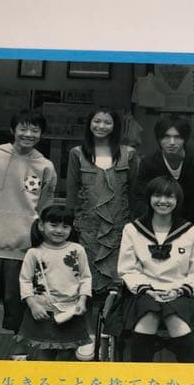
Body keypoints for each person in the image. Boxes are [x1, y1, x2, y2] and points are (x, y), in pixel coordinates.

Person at [0, 108, 57, 360]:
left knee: (19, 301)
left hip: (23, 248)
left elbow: (44, 206)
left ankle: (19, 351)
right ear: (13, 130)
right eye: (23, 128)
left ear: (41, 134)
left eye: (35, 130)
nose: (28, 134)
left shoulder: (45, 166)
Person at [109, 176, 194, 363]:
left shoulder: (193, 232)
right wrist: (148, 290)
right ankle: (140, 378)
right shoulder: (132, 230)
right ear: (149, 198)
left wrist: (178, 291)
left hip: (181, 292)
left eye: (169, 196)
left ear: (177, 200)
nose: (163, 201)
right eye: (157, 195)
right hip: (144, 293)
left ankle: (192, 378)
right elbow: (128, 269)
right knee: (147, 314)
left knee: (176, 317)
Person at [65, 107, 138, 360]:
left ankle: (112, 334)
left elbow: (135, 193)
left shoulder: (129, 154)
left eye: (107, 122)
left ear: (115, 126)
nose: (101, 126)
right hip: (86, 230)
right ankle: (88, 336)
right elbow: (71, 194)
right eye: (97, 121)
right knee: (85, 283)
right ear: (89, 124)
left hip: (119, 231)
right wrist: (69, 228)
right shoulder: (77, 154)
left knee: (116, 285)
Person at [15, 205, 92, 360]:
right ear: (41, 225)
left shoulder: (77, 250)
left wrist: (82, 300)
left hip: (70, 310)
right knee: (45, 352)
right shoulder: (34, 253)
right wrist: (33, 305)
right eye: (54, 225)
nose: (59, 230)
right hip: (44, 310)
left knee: (67, 352)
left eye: (65, 226)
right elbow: (25, 280)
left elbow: (85, 277)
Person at [135, 115, 194, 230]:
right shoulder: (148, 162)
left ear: (185, 138)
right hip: (160, 219)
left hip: (193, 220)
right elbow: (142, 197)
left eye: (177, 137)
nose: (172, 142)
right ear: (158, 138)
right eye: (166, 137)